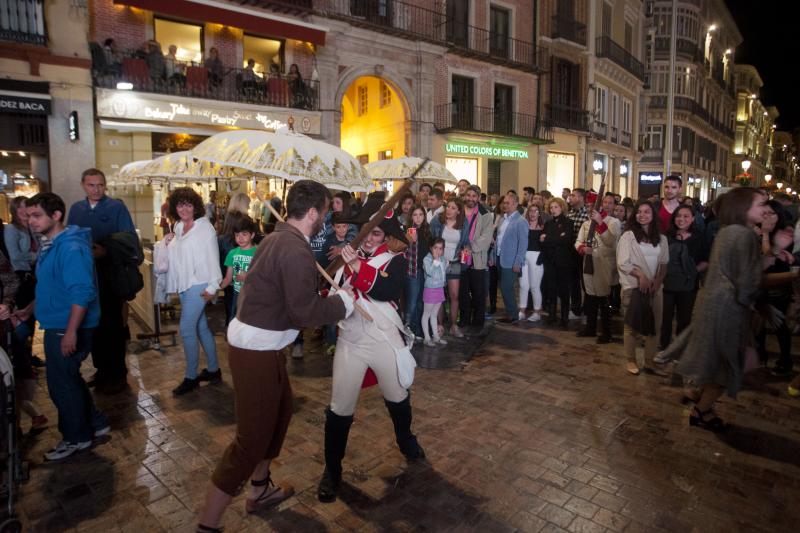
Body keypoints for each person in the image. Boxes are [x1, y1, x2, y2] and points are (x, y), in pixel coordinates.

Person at [197, 180, 354, 530]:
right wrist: (342, 304)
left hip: (264, 348)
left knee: (281, 414)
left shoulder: (279, 239)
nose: (327, 219)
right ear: (313, 212)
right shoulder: (293, 248)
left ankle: (259, 490)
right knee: (249, 443)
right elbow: (304, 313)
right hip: (256, 351)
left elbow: (290, 299)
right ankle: (207, 525)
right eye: (325, 212)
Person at [316, 208, 424, 504]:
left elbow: (384, 289)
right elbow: (329, 292)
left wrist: (356, 267)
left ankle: (406, 439)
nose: (368, 237)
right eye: (366, 231)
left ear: (387, 237)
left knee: (397, 395)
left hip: (383, 338)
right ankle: (332, 470)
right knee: (340, 407)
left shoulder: (395, 260)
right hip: (351, 340)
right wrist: (328, 297)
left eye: (376, 233)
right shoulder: (345, 258)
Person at [667, 188, 766, 431]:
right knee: (724, 369)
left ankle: (697, 394)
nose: (764, 210)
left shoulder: (726, 232)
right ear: (743, 207)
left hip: (713, 305)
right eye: (760, 204)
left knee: (715, 363)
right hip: (728, 311)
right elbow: (748, 282)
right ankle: (701, 411)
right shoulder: (744, 235)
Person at [25, 193, 108, 461]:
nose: (31, 221)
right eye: (29, 216)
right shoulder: (54, 244)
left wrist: (71, 331)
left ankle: (76, 437)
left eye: (36, 215)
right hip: (59, 321)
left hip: (66, 325)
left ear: (56, 215)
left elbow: (81, 293)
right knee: (69, 379)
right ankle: (94, 422)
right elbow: (51, 285)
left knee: (61, 384)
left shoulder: (71, 247)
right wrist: (29, 309)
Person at [67, 168, 136, 395]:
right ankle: (101, 369)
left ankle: (117, 373)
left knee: (112, 325)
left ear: (105, 186)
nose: (96, 189)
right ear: (83, 185)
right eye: (91, 185)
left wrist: (106, 250)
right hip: (86, 277)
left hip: (110, 276)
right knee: (93, 325)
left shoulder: (116, 208)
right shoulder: (77, 210)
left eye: (100, 185)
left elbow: (128, 241)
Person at [163, 187, 222, 396]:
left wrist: (213, 286)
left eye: (188, 204)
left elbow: (213, 257)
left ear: (195, 206)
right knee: (201, 327)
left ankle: (191, 376)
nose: (184, 208)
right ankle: (214, 370)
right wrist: (169, 242)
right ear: (174, 207)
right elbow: (179, 254)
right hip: (184, 284)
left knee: (186, 328)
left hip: (200, 283)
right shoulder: (179, 227)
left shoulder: (204, 227)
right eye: (180, 204)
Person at [617, 201, 668, 375]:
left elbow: (663, 263)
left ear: (653, 215)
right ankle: (631, 360)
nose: (642, 215)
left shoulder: (662, 238)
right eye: (639, 212)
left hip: (655, 288)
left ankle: (649, 362)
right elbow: (623, 262)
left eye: (647, 212)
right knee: (631, 326)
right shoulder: (628, 236)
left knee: (655, 326)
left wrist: (658, 281)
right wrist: (641, 276)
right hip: (634, 287)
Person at [656, 205, 708, 355]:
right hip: (667, 283)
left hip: (688, 285)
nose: (682, 219)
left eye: (686, 216)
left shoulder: (699, 237)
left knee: (684, 319)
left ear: (693, 218)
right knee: (665, 318)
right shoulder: (666, 236)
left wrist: (691, 272)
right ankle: (664, 346)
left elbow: (706, 259)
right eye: (679, 216)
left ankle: (680, 347)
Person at [754, 200, 794, 376]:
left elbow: (768, 256)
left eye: (772, 213)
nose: (768, 217)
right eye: (765, 213)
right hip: (758, 285)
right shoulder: (756, 232)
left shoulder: (786, 234)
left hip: (778, 286)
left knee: (779, 324)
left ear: (779, 215)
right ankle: (759, 355)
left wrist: (764, 234)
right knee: (758, 324)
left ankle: (785, 361)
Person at [575, 193, 621, 343]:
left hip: (604, 265)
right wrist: (582, 248)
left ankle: (607, 332)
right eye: (588, 206)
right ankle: (591, 327)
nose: (590, 208)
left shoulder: (613, 222)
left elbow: (610, 241)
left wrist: (600, 223)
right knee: (590, 297)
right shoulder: (586, 223)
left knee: (604, 300)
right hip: (589, 262)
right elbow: (578, 241)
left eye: (609, 203)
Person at [429, 197, 469, 337]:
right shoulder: (437, 221)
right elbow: (432, 240)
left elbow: (466, 242)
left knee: (454, 295)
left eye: (453, 208)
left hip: (455, 262)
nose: (449, 210)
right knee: (439, 295)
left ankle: (453, 325)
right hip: (439, 262)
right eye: (448, 206)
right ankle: (439, 325)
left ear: (458, 211)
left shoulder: (463, 223)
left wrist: (466, 249)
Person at [458, 186, 493, 332]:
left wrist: (470, 247)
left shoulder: (485, 215)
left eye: (474, 196)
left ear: (478, 198)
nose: (471, 198)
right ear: (465, 196)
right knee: (462, 291)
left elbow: (486, 237)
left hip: (476, 258)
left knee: (478, 291)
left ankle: (478, 321)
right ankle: (465, 318)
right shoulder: (459, 212)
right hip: (459, 258)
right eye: (469, 195)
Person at [541, 197, 576, 328]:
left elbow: (566, 240)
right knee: (551, 289)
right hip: (550, 261)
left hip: (563, 261)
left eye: (556, 207)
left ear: (562, 207)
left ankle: (564, 316)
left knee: (564, 290)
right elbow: (542, 241)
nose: (553, 210)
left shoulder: (569, 222)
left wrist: (548, 238)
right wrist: (554, 238)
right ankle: (552, 315)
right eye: (551, 207)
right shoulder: (548, 223)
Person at [494, 192, 528, 324]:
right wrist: (493, 256)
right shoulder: (503, 219)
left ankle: (513, 314)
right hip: (499, 258)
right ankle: (511, 313)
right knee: (503, 287)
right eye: (504, 203)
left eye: (508, 203)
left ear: (515, 204)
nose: (505, 205)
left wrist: (518, 262)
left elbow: (523, 244)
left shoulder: (521, 221)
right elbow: (498, 239)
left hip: (511, 261)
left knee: (506, 287)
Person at [219, 193, 250, 325]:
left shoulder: (228, 217)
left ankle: (230, 328)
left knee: (230, 302)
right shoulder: (245, 219)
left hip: (227, 259)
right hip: (241, 262)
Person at [220, 216, 258, 320]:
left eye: (244, 234)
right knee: (235, 321)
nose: (240, 238)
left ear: (252, 235)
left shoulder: (259, 253)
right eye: (237, 235)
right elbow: (228, 279)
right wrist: (214, 289)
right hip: (237, 294)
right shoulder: (232, 253)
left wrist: (249, 277)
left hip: (254, 295)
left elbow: (265, 276)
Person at [404, 205, 430, 339]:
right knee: (412, 301)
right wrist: (409, 239)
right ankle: (408, 329)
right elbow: (402, 249)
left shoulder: (427, 230)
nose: (418, 217)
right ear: (411, 216)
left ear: (424, 216)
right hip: (412, 270)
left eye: (421, 214)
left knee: (421, 301)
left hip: (424, 270)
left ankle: (418, 329)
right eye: (415, 215)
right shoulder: (408, 230)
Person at [518, 204, 545, 322]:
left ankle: (537, 312)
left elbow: (546, 246)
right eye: (531, 211)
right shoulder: (524, 225)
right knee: (523, 285)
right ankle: (522, 310)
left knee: (535, 286)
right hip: (523, 256)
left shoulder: (544, 227)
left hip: (537, 256)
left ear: (539, 213)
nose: (533, 213)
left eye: (536, 211)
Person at [567, 188, 589, 317]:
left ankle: (588, 308)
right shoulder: (569, 214)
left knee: (585, 281)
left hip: (583, 252)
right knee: (573, 281)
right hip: (571, 252)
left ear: (581, 198)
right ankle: (575, 308)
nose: (570, 198)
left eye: (573, 195)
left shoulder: (587, 214)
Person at [422, 238, 448, 346]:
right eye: (435, 248)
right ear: (431, 248)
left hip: (439, 289)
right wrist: (436, 261)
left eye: (440, 248)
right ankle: (426, 338)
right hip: (430, 289)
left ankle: (436, 337)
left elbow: (442, 274)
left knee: (434, 314)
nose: (438, 251)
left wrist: (445, 264)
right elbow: (430, 272)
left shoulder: (442, 259)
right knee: (426, 314)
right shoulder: (427, 259)